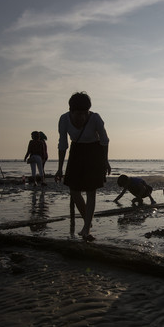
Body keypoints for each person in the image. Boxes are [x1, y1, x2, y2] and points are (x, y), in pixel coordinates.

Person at [54, 92, 111, 241]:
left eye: (85, 113)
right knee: (74, 190)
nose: (83, 117)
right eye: (79, 114)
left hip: (94, 151)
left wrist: (105, 161)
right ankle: (88, 220)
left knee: (91, 191)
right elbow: (62, 145)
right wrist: (60, 168)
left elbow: (104, 140)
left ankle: (86, 229)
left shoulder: (95, 118)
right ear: (71, 111)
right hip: (76, 151)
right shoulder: (64, 119)